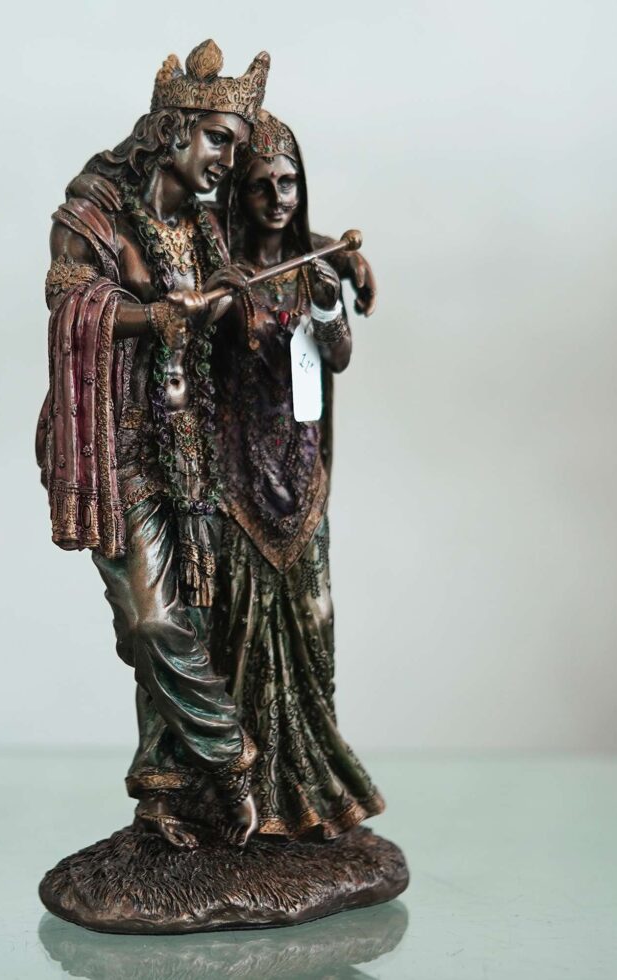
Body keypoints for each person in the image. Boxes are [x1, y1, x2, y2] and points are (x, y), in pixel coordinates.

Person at [36, 40, 270, 848]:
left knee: (186, 625)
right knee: (149, 621)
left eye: (236, 146)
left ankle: (164, 795)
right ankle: (233, 759)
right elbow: (69, 304)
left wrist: (232, 296)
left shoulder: (205, 227)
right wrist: (152, 317)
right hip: (117, 444)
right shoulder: (94, 210)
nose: (227, 161)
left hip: (190, 445)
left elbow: (247, 279)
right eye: (218, 140)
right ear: (173, 128)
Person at [208, 110, 386, 838]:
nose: (277, 198)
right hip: (237, 482)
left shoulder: (316, 266)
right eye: (261, 186)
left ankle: (312, 793)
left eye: (288, 183)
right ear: (240, 194)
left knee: (313, 628)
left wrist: (326, 298)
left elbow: (337, 355)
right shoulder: (222, 270)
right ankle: (242, 794)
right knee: (238, 639)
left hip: (303, 480)